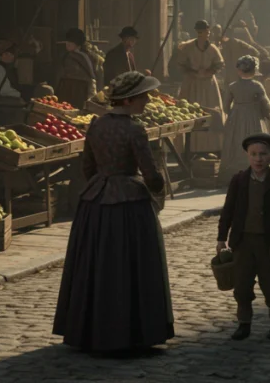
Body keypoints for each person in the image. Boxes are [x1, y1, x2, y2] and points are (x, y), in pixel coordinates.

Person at [53, 71, 172, 352]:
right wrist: (156, 190)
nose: (147, 100)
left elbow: (87, 166)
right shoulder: (135, 129)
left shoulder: (96, 125)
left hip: (96, 200)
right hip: (129, 204)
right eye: (143, 96)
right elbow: (151, 172)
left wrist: (101, 183)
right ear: (129, 100)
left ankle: (90, 330)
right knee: (130, 267)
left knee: (96, 265)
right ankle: (131, 333)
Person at [217, 134, 270, 341]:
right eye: (253, 154)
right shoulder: (239, 181)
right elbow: (228, 211)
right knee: (242, 286)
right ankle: (244, 323)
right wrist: (221, 238)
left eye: (262, 154)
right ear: (247, 156)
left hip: (268, 243)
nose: (258, 159)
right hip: (243, 243)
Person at [172, 20, 226, 155]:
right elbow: (180, 65)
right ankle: (190, 148)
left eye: (208, 31)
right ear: (198, 32)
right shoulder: (188, 47)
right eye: (203, 32)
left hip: (208, 85)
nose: (206, 34)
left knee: (211, 112)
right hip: (192, 84)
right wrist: (193, 73)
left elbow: (219, 64)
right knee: (191, 112)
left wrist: (209, 72)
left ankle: (211, 147)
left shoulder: (213, 48)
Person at [220, 56, 270, 180]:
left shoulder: (232, 86)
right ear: (254, 71)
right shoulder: (257, 86)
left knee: (235, 144)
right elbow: (266, 104)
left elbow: (225, 107)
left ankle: (234, 173)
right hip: (254, 117)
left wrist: (234, 111)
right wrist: (268, 114)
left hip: (236, 119)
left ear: (239, 71)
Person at [57, 28, 99, 110]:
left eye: (72, 42)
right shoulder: (67, 56)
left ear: (78, 44)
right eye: (67, 41)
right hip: (69, 90)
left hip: (79, 91)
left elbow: (91, 76)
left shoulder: (86, 57)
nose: (68, 43)